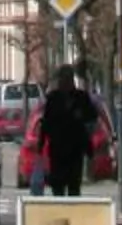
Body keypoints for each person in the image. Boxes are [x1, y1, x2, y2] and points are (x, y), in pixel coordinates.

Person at [37, 66, 97, 195]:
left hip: (76, 148)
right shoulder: (53, 98)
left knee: (74, 185)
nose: (63, 82)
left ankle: (72, 209)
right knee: (57, 185)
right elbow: (46, 122)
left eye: (66, 79)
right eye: (61, 79)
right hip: (57, 148)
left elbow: (92, 117)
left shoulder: (81, 97)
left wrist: (89, 150)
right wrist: (40, 144)